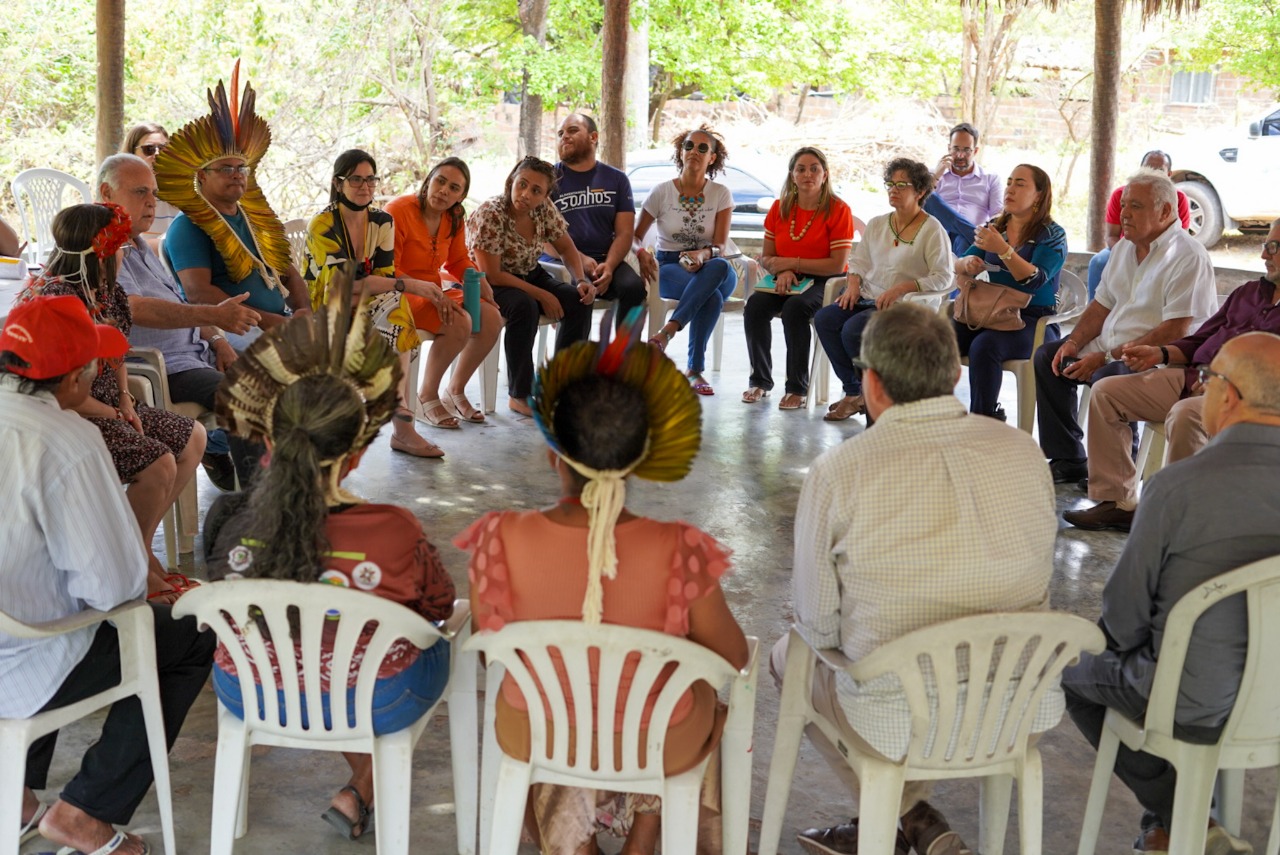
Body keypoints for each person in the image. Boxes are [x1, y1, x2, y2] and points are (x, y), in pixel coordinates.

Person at [456, 312, 749, 855]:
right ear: (637, 463)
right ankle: (645, 840)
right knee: (700, 695)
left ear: (553, 456)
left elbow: (488, 653)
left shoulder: (498, 538)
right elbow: (732, 657)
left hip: (541, 733)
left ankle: (575, 845)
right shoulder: (681, 549)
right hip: (656, 742)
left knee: (549, 701)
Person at [780, 302, 1061, 855]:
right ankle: (911, 817)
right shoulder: (1024, 451)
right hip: (1021, 705)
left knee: (786, 658)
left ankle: (902, 811)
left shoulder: (841, 470)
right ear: (956, 374)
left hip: (897, 718)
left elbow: (817, 624)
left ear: (872, 383)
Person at [204, 272, 457, 840]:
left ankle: (359, 788)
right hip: (374, 696)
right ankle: (365, 786)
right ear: (359, 453)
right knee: (425, 642)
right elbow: (438, 606)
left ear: (268, 439)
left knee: (312, 642)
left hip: (248, 687)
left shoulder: (226, 520)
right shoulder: (393, 529)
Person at [1, 294, 214, 855]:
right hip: (22, 658)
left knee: (43, 601)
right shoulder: (68, 439)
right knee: (187, 637)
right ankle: (87, 812)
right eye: (95, 365)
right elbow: (113, 589)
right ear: (74, 379)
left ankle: (17, 798)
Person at [1061, 331, 1280, 855]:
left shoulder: (1177, 487)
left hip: (1192, 703)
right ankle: (1178, 826)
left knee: (1079, 669)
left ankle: (1183, 816)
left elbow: (1122, 620)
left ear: (1227, 396)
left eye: (1205, 380)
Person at [20, 203, 206, 603]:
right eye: (119, 246)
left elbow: (117, 352)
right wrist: (112, 413)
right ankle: (138, 562)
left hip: (108, 401)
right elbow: (56, 389)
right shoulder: (56, 299)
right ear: (100, 252)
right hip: (73, 411)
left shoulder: (109, 292)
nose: (125, 254)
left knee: (193, 437)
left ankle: (136, 545)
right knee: (157, 463)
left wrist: (124, 399)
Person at [1064, 219, 1280, 531]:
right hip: (1193, 378)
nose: (1264, 255)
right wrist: (1160, 353)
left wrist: (1228, 385)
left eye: (1273, 247)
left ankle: (1177, 519)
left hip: (1244, 400)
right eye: (1265, 245)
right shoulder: (1248, 293)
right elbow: (1198, 341)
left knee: (1185, 414)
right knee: (1107, 392)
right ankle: (1117, 502)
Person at [1035, 168, 1216, 487]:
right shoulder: (1122, 249)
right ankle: (1069, 458)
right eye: (1124, 205)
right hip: (1110, 347)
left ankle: (1121, 474)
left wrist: (1104, 358)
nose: (1124, 213)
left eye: (1136, 206)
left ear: (1165, 211)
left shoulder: (1188, 256)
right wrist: (1075, 342)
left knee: (1110, 376)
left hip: (1158, 357)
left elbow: (1176, 329)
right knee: (1050, 358)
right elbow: (1100, 305)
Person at [98, 152, 262, 490]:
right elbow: (134, 308)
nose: (151, 202)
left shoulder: (139, 243)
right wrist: (214, 316)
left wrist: (217, 339)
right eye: (140, 192)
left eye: (154, 193)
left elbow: (178, 303)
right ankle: (261, 510)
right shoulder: (103, 247)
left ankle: (247, 470)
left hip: (197, 353)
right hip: (164, 367)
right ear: (106, 193)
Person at [305, 149, 481, 459]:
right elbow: (344, 287)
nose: (365, 186)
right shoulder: (323, 224)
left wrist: (394, 287)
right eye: (356, 179)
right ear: (337, 183)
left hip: (370, 297)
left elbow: (383, 277)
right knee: (391, 305)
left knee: (396, 313)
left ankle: (402, 426)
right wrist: (409, 285)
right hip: (327, 304)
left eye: (370, 179)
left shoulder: (381, 220)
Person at [156, 66, 310, 349]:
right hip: (233, 330)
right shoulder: (188, 225)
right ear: (202, 176)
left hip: (278, 323)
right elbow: (197, 292)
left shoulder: (254, 219)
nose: (237, 174)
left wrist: (303, 312)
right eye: (226, 168)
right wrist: (265, 321)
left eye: (242, 168)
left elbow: (288, 273)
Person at [813, 158, 953, 422]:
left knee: (854, 330)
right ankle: (856, 393)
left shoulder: (932, 229)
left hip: (907, 306)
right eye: (890, 183)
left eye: (902, 185)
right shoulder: (878, 224)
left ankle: (875, 399)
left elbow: (944, 276)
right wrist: (853, 283)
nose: (893, 189)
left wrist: (902, 287)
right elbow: (859, 261)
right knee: (826, 319)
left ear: (920, 191)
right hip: (869, 298)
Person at [467, 156, 594, 417]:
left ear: (545, 195)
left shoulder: (543, 209)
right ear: (511, 180)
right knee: (525, 307)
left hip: (529, 272)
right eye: (522, 184)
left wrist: (581, 280)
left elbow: (567, 248)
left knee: (578, 301)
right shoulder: (491, 213)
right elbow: (492, 273)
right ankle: (519, 394)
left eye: (536, 190)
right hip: (490, 282)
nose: (525, 194)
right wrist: (540, 294)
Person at [384, 156, 503, 426]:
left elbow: (458, 260)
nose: (444, 191)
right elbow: (388, 269)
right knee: (458, 321)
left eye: (454, 188)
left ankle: (455, 390)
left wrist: (478, 280)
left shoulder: (454, 217)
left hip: (434, 288)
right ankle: (427, 396)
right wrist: (426, 291)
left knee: (491, 317)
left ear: (460, 197)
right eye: (440, 181)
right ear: (428, 181)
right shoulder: (398, 210)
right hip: (399, 290)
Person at [742, 146, 855, 409]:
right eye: (801, 169)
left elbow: (838, 264)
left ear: (825, 174)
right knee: (755, 307)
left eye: (814, 168)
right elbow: (767, 257)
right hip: (786, 278)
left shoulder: (838, 209)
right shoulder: (780, 208)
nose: (808, 174)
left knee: (796, 309)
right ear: (792, 175)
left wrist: (791, 263)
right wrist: (783, 271)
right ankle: (759, 381)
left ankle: (797, 388)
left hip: (825, 282)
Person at [952, 164, 1067, 420]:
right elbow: (959, 262)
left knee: (984, 346)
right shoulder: (995, 227)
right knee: (938, 338)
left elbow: (1033, 280)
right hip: (992, 314)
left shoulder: (1053, 235)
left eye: (1020, 184)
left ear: (1039, 195)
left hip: (1035, 321)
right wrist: (967, 264)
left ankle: (983, 420)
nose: (1010, 189)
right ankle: (931, 416)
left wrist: (1003, 250)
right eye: (1009, 181)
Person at [635, 124, 737, 396]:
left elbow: (720, 246)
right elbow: (635, 237)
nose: (694, 151)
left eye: (703, 148)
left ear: (712, 158)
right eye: (689, 146)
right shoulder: (661, 192)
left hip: (713, 266)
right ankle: (694, 370)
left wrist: (703, 254)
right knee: (711, 298)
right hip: (670, 266)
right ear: (681, 152)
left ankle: (665, 333)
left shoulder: (721, 194)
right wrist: (641, 252)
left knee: (719, 266)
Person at [547, 113, 647, 327]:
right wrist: (579, 259)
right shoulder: (548, 178)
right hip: (560, 261)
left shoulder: (617, 179)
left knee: (634, 289)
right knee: (577, 295)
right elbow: (542, 238)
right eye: (560, 133)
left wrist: (609, 266)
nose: (564, 137)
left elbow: (625, 233)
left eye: (572, 130)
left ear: (593, 137)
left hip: (604, 259)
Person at [1086, 150, 1192, 300]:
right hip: (1125, 247)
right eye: (1147, 168)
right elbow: (1111, 236)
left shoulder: (1178, 198)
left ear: (1169, 174)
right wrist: (1127, 255)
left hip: (1162, 251)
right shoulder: (1122, 194)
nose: (1152, 173)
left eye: (1159, 170)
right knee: (1099, 262)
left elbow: (1181, 238)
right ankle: (1095, 305)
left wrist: (1150, 257)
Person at [922, 122, 1003, 255]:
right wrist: (936, 175)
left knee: (962, 239)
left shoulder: (990, 179)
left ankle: (970, 242)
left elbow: (998, 216)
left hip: (966, 241)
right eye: (956, 149)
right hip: (938, 233)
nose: (960, 155)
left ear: (975, 151)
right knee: (927, 195)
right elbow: (915, 203)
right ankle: (973, 234)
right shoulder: (934, 174)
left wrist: (986, 230)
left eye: (966, 150)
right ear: (949, 149)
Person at [120, 122, 181, 240]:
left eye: (163, 149)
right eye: (149, 149)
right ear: (132, 154)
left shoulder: (184, 190)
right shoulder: (120, 192)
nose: (157, 154)